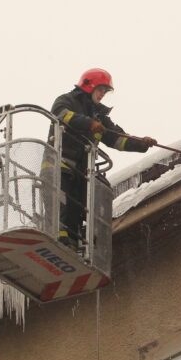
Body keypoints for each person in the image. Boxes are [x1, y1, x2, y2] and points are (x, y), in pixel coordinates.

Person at [51, 68, 157, 249]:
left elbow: (118, 139)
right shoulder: (67, 100)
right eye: (100, 90)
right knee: (60, 201)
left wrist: (141, 143)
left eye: (105, 92)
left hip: (81, 172)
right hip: (59, 163)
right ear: (89, 85)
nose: (102, 95)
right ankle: (58, 237)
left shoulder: (100, 117)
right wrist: (89, 123)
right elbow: (61, 114)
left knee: (77, 207)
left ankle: (72, 244)